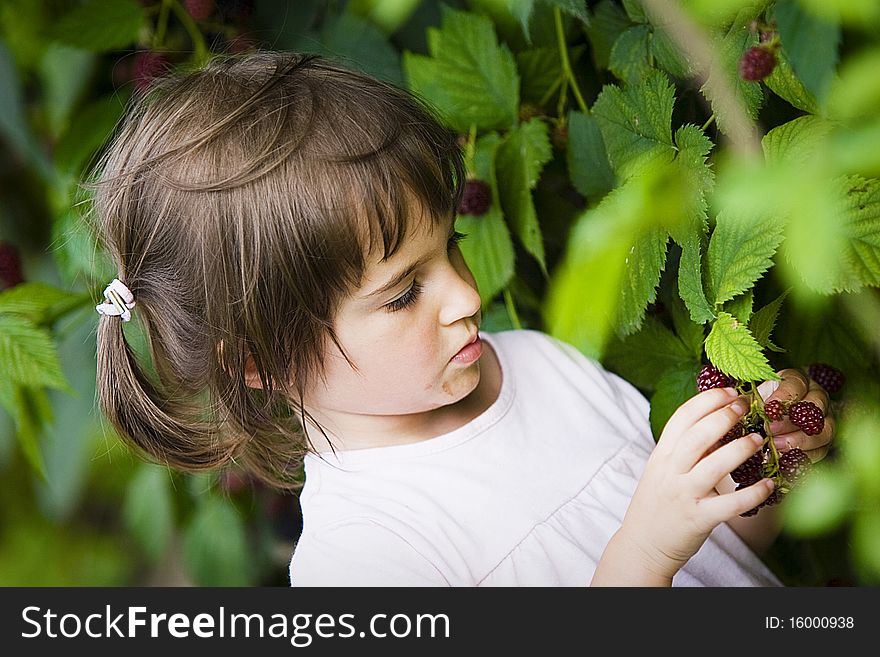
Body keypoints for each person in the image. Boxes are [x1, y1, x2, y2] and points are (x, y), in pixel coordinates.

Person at [89, 51, 834, 587]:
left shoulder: (543, 365)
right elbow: (655, 554)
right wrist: (643, 551)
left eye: (452, 245)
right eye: (403, 291)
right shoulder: (362, 558)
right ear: (260, 361)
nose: (467, 296)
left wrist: (756, 473)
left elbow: (720, 562)